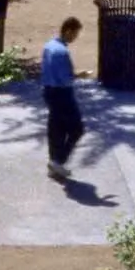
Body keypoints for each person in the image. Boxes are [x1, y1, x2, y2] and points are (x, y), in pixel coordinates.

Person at [41, 14, 86, 175]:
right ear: (68, 31)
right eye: (75, 34)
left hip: (48, 91)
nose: (75, 37)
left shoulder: (49, 46)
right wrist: (78, 75)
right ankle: (58, 160)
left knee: (56, 127)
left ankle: (53, 160)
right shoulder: (62, 52)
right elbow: (65, 78)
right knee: (76, 128)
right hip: (62, 93)